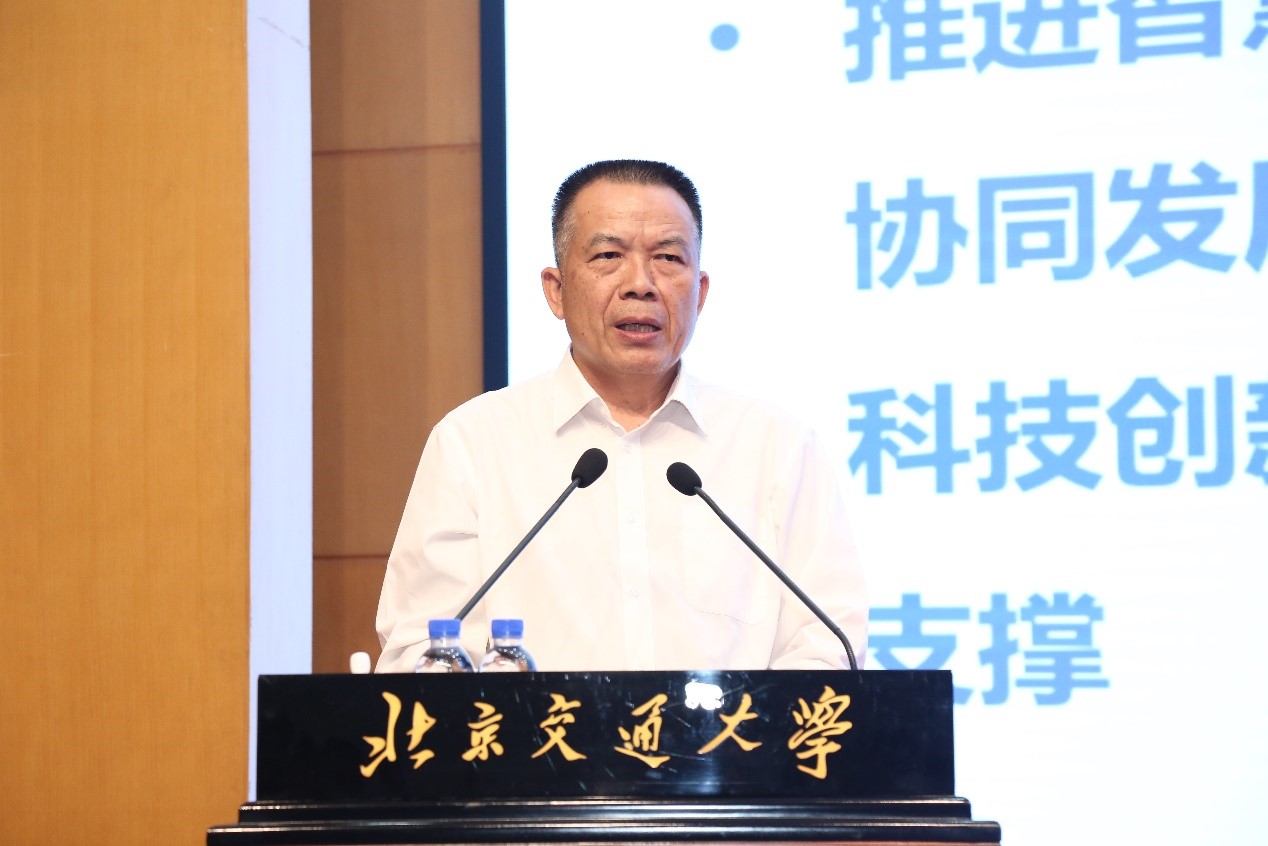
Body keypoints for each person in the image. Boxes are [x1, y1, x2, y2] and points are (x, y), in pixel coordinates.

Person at [375, 159, 866, 673]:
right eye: (609, 256)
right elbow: (419, 649)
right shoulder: (473, 444)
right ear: (556, 291)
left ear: (699, 293)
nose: (641, 284)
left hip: (733, 730)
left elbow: (828, 645)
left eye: (668, 258)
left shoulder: (778, 447)